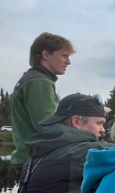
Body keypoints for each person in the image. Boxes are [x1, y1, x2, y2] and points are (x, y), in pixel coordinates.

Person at [11, 33, 74, 172]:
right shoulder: (39, 81)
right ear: (46, 55)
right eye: (64, 55)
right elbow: (48, 126)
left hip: (29, 159)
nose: (68, 62)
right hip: (36, 162)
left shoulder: (31, 78)